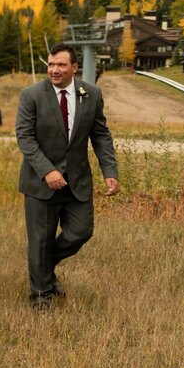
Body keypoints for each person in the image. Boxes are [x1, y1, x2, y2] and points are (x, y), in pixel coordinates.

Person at [15, 43, 119, 309]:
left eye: (61, 65)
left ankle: (44, 267)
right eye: (50, 64)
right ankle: (41, 298)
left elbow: (100, 135)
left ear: (74, 67)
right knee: (40, 239)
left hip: (77, 182)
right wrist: (46, 170)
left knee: (81, 232)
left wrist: (110, 171)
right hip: (40, 183)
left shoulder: (91, 94)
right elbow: (25, 137)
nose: (54, 70)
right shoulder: (31, 95)